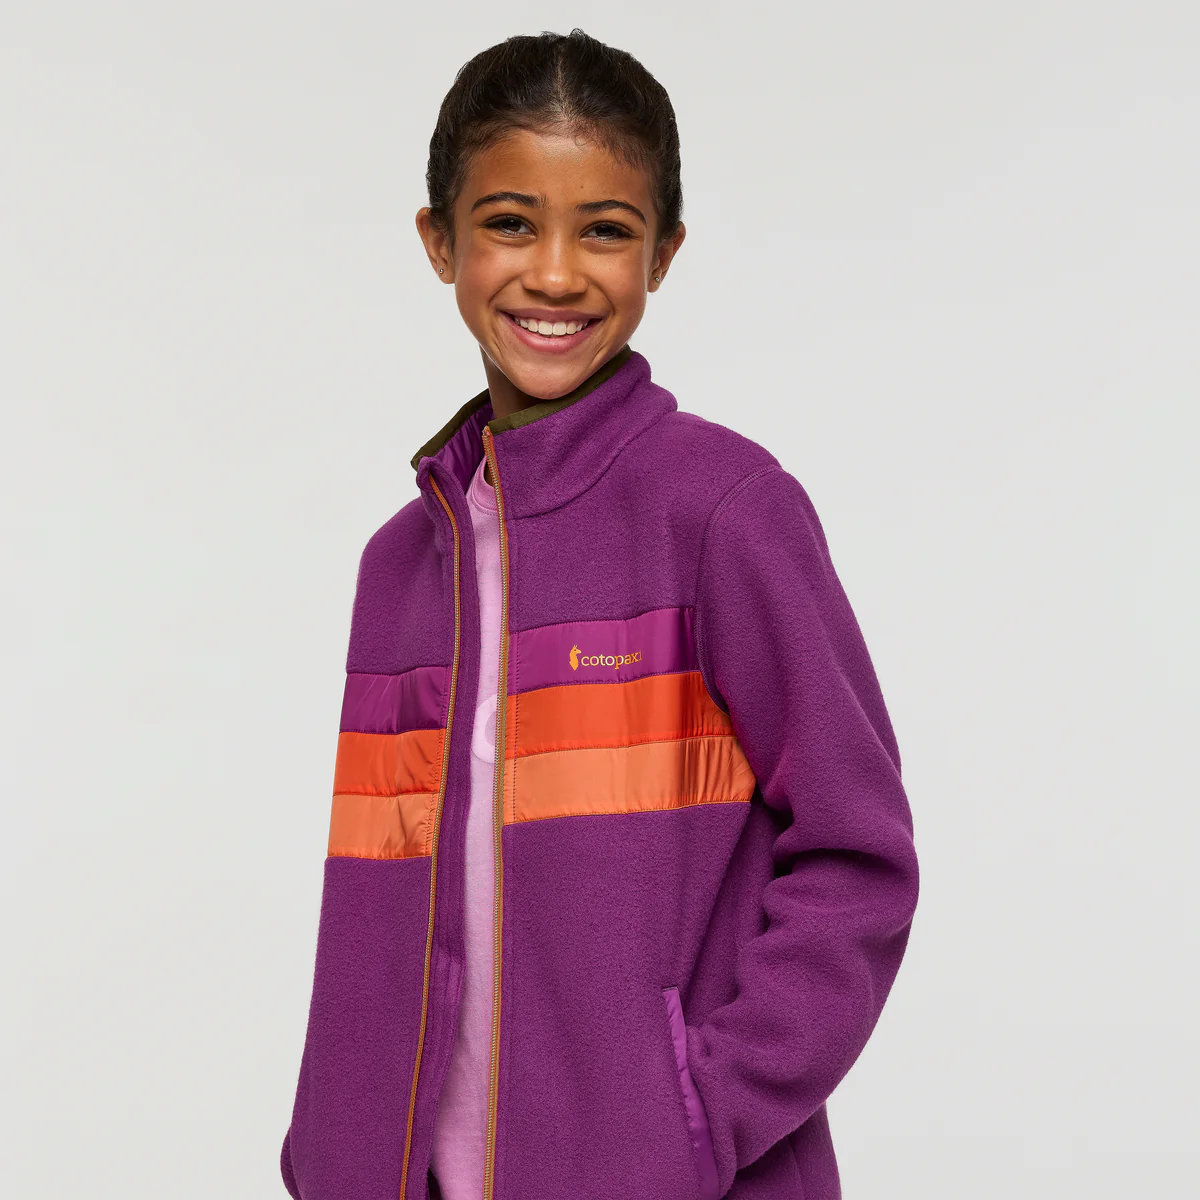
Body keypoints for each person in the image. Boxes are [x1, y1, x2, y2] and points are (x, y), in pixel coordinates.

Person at [279, 28, 918, 1200]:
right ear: (440, 241)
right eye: (510, 223)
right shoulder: (400, 569)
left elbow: (858, 856)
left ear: (663, 253)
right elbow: (376, 917)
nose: (557, 274)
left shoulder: (722, 512)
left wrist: (693, 1117)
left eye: (607, 230)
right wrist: (333, 1153)